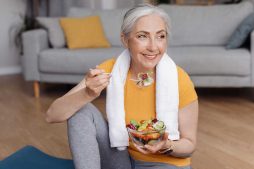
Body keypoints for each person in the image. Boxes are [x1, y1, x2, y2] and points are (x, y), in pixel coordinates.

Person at [46, 3, 198, 169]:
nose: (153, 47)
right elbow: (52, 115)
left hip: (164, 162)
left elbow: (189, 145)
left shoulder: (179, 78)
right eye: (142, 36)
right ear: (125, 40)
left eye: (160, 36)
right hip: (122, 158)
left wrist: (167, 145)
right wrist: (87, 94)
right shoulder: (111, 69)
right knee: (80, 110)